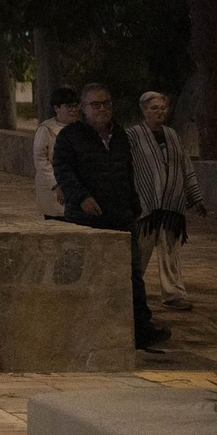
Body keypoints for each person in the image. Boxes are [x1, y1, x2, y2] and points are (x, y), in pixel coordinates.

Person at [53, 83, 170, 349]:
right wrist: (81, 197)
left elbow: (127, 171)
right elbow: (63, 170)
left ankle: (141, 328)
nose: (102, 109)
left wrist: (133, 205)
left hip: (120, 216)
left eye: (106, 103)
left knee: (131, 273)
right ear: (83, 108)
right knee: (87, 273)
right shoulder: (70, 137)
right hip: (85, 218)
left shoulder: (121, 136)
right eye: (95, 104)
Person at [130, 91, 207, 312]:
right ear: (144, 110)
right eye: (154, 108)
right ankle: (130, 292)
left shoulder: (172, 135)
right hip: (145, 206)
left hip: (171, 206)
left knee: (171, 253)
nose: (160, 112)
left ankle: (174, 294)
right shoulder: (133, 135)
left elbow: (185, 167)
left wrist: (196, 197)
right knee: (139, 253)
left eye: (163, 108)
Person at [33, 87, 80, 219]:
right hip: (53, 189)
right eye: (69, 106)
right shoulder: (46, 129)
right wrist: (56, 184)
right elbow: (41, 160)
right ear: (57, 108)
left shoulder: (81, 129)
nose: (73, 110)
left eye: (76, 106)